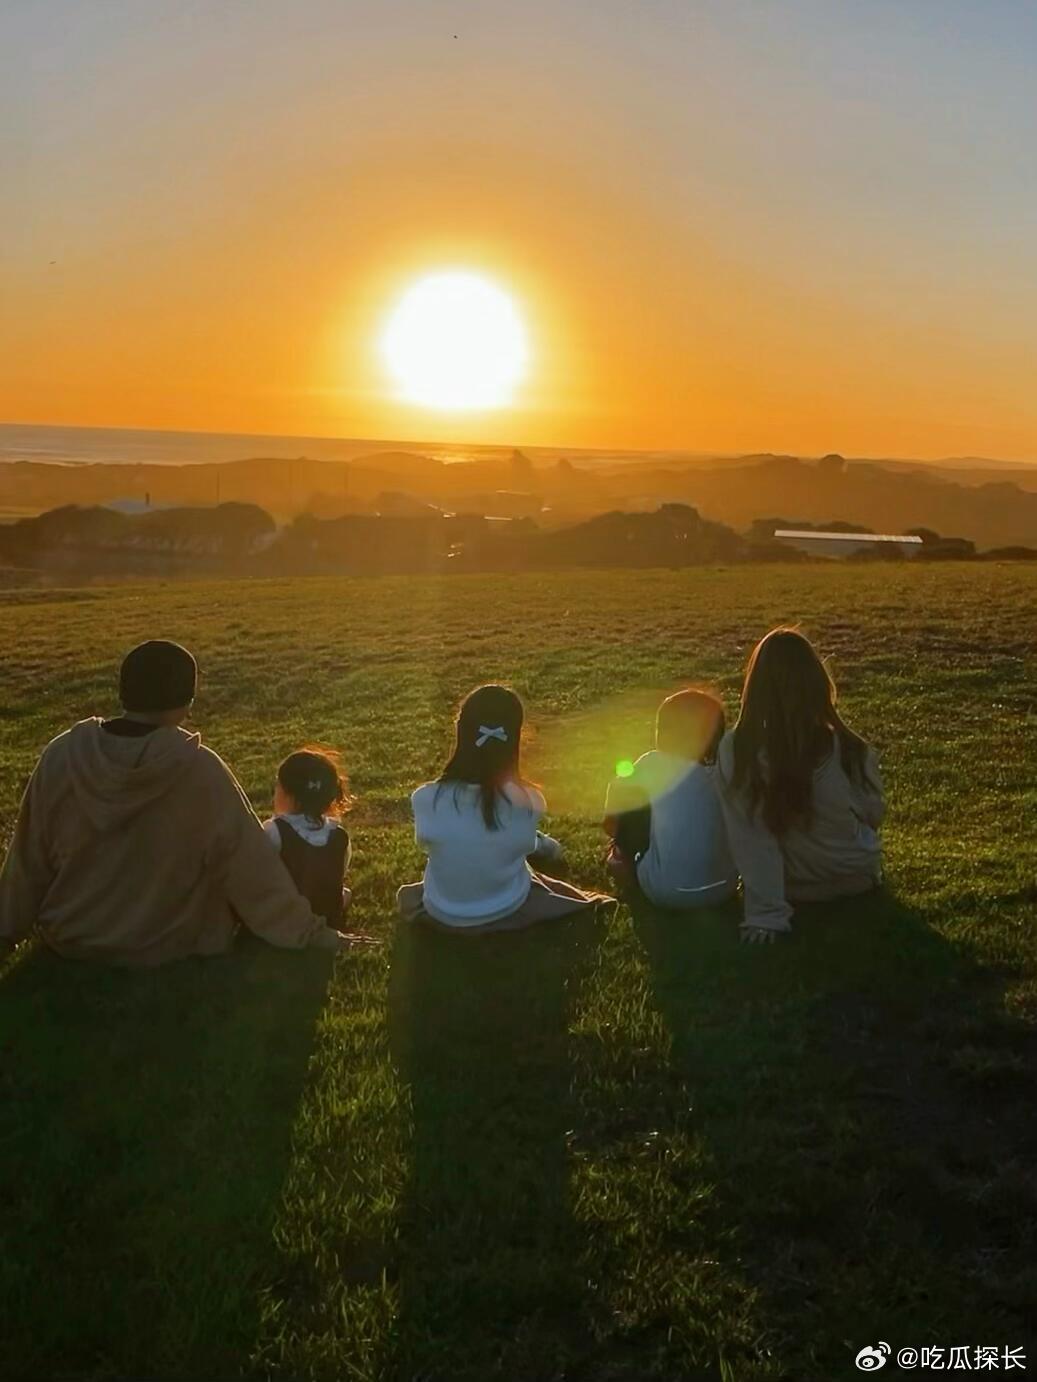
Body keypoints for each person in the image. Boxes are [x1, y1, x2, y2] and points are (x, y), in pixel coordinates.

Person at [0, 640, 370, 965]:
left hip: (73, 936)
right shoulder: (199, 770)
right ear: (186, 703)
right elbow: (251, 871)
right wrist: (315, 934)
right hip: (170, 943)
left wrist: (6, 930)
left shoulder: (62, 755)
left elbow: (27, 859)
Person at [397, 683, 611, 933]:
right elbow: (526, 848)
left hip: (442, 910)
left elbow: (426, 844)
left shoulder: (425, 798)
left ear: (461, 733)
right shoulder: (529, 801)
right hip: (504, 906)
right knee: (537, 875)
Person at [717, 628, 884, 943]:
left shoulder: (737, 751)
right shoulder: (850, 747)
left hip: (795, 884)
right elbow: (874, 813)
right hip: (857, 875)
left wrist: (765, 916)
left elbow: (750, 839)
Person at [603, 688, 738, 909]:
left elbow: (612, 814)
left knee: (632, 802)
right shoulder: (727, 770)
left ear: (665, 735)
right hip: (724, 888)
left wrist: (618, 838)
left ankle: (624, 866)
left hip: (667, 891)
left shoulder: (653, 763)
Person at [263, 748, 352, 924]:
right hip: (327, 913)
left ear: (286, 793)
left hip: (288, 916)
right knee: (346, 893)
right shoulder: (339, 835)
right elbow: (338, 874)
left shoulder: (274, 830)